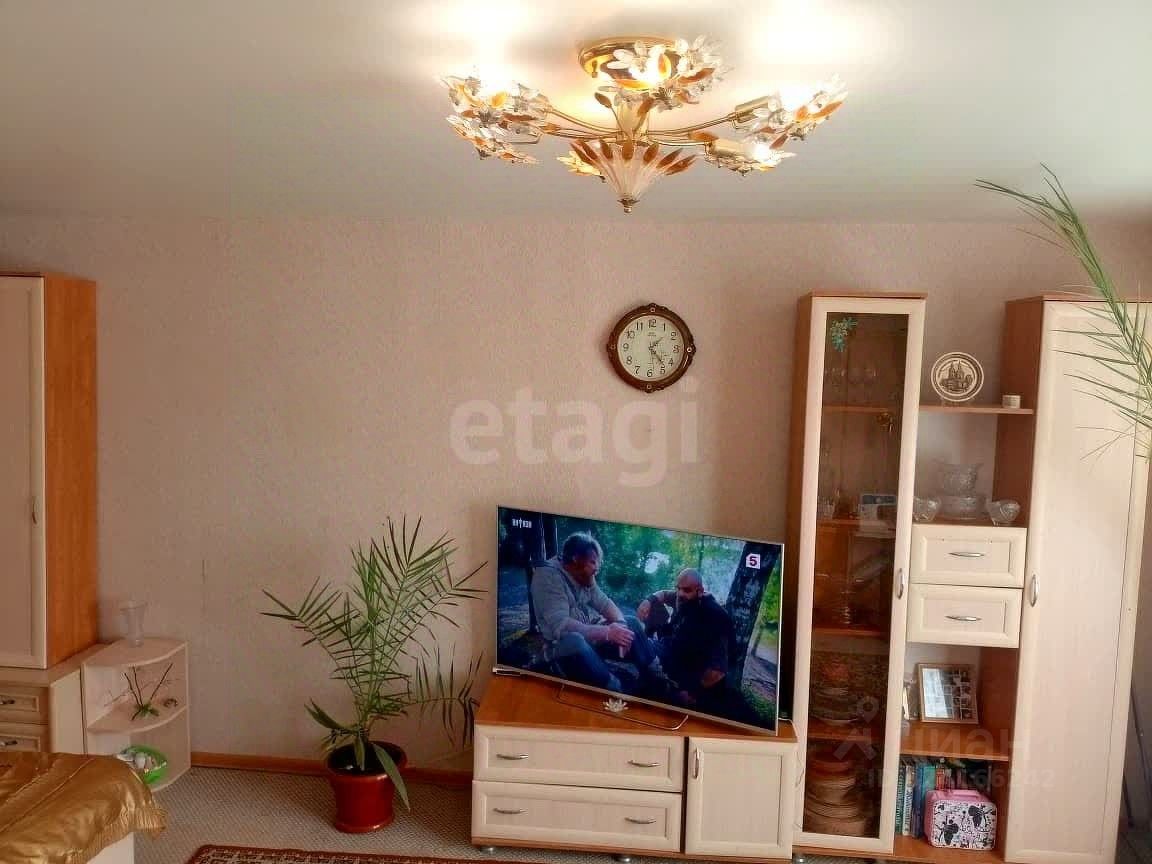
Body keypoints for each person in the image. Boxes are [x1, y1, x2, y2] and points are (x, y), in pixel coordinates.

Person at [531, 532, 670, 696]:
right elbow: (561, 626)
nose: (596, 567)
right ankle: (615, 689)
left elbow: (604, 603)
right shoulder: (548, 577)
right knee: (575, 641)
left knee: (630, 622)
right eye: (592, 562)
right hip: (562, 648)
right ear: (575, 559)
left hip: (589, 639)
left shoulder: (583, 573)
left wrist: (621, 626)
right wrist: (607, 632)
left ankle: (657, 678)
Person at [637, 568, 732, 707]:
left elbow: (718, 671)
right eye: (678, 588)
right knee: (639, 626)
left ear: (700, 591)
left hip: (685, 668)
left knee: (636, 639)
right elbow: (663, 594)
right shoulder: (682, 597)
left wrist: (692, 692)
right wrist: (648, 601)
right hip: (669, 648)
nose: (680, 593)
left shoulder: (714, 616)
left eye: (686, 590)